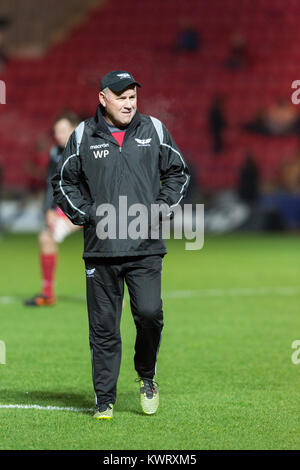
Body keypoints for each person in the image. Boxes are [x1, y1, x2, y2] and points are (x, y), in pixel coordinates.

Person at [51, 70, 190, 419]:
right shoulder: (83, 134)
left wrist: (161, 206)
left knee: (149, 314)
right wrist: (90, 214)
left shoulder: (154, 129)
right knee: (103, 327)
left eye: (133, 97)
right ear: (103, 99)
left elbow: (178, 173)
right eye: (121, 98)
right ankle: (104, 398)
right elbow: (64, 183)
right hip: (101, 249)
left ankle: (147, 375)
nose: (129, 104)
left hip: (145, 247)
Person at [25, 112, 81, 307]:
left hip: (95, 208)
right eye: (56, 131)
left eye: (63, 130)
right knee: (46, 238)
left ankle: (114, 297)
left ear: (75, 129)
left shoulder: (90, 148)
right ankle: (48, 294)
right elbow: (51, 182)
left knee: (104, 252)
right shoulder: (55, 152)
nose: (58, 135)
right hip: (70, 208)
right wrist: (49, 209)